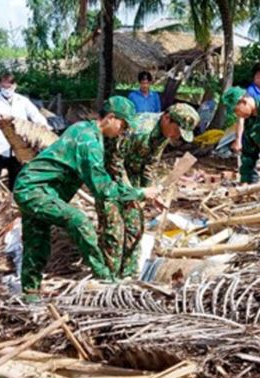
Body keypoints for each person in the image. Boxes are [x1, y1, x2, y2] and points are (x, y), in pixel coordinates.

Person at [13, 96, 160, 299]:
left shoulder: (85, 129)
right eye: (122, 125)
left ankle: (30, 293)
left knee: (36, 241)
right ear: (110, 118)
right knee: (78, 220)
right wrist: (141, 193)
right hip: (34, 189)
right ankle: (104, 275)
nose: (123, 131)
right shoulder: (89, 141)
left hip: (37, 188)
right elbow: (103, 189)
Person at [104, 103, 200, 277]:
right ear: (166, 118)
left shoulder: (163, 134)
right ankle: (109, 276)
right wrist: (134, 193)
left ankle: (129, 274)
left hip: (132, 177)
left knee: (135, 227)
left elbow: (150, 164)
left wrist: (150, 191)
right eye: (177, 130)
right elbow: (115, 162)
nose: (177, 136)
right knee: (114, 229)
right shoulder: (141, 130)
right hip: (109, 178)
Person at [0, 73, 49, 208]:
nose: (7, 89)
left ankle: (12, 200)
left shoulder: (22, 101)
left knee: (15, 172)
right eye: (3, 86)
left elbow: (35, 114)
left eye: (9, 86)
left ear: (15, 86)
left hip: (18, 144)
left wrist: (43, 124)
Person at [231, 62, 260, 153]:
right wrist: (238, 140)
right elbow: (240, 119)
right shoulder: (248, 94)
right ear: (258, 77)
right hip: (253, 138)